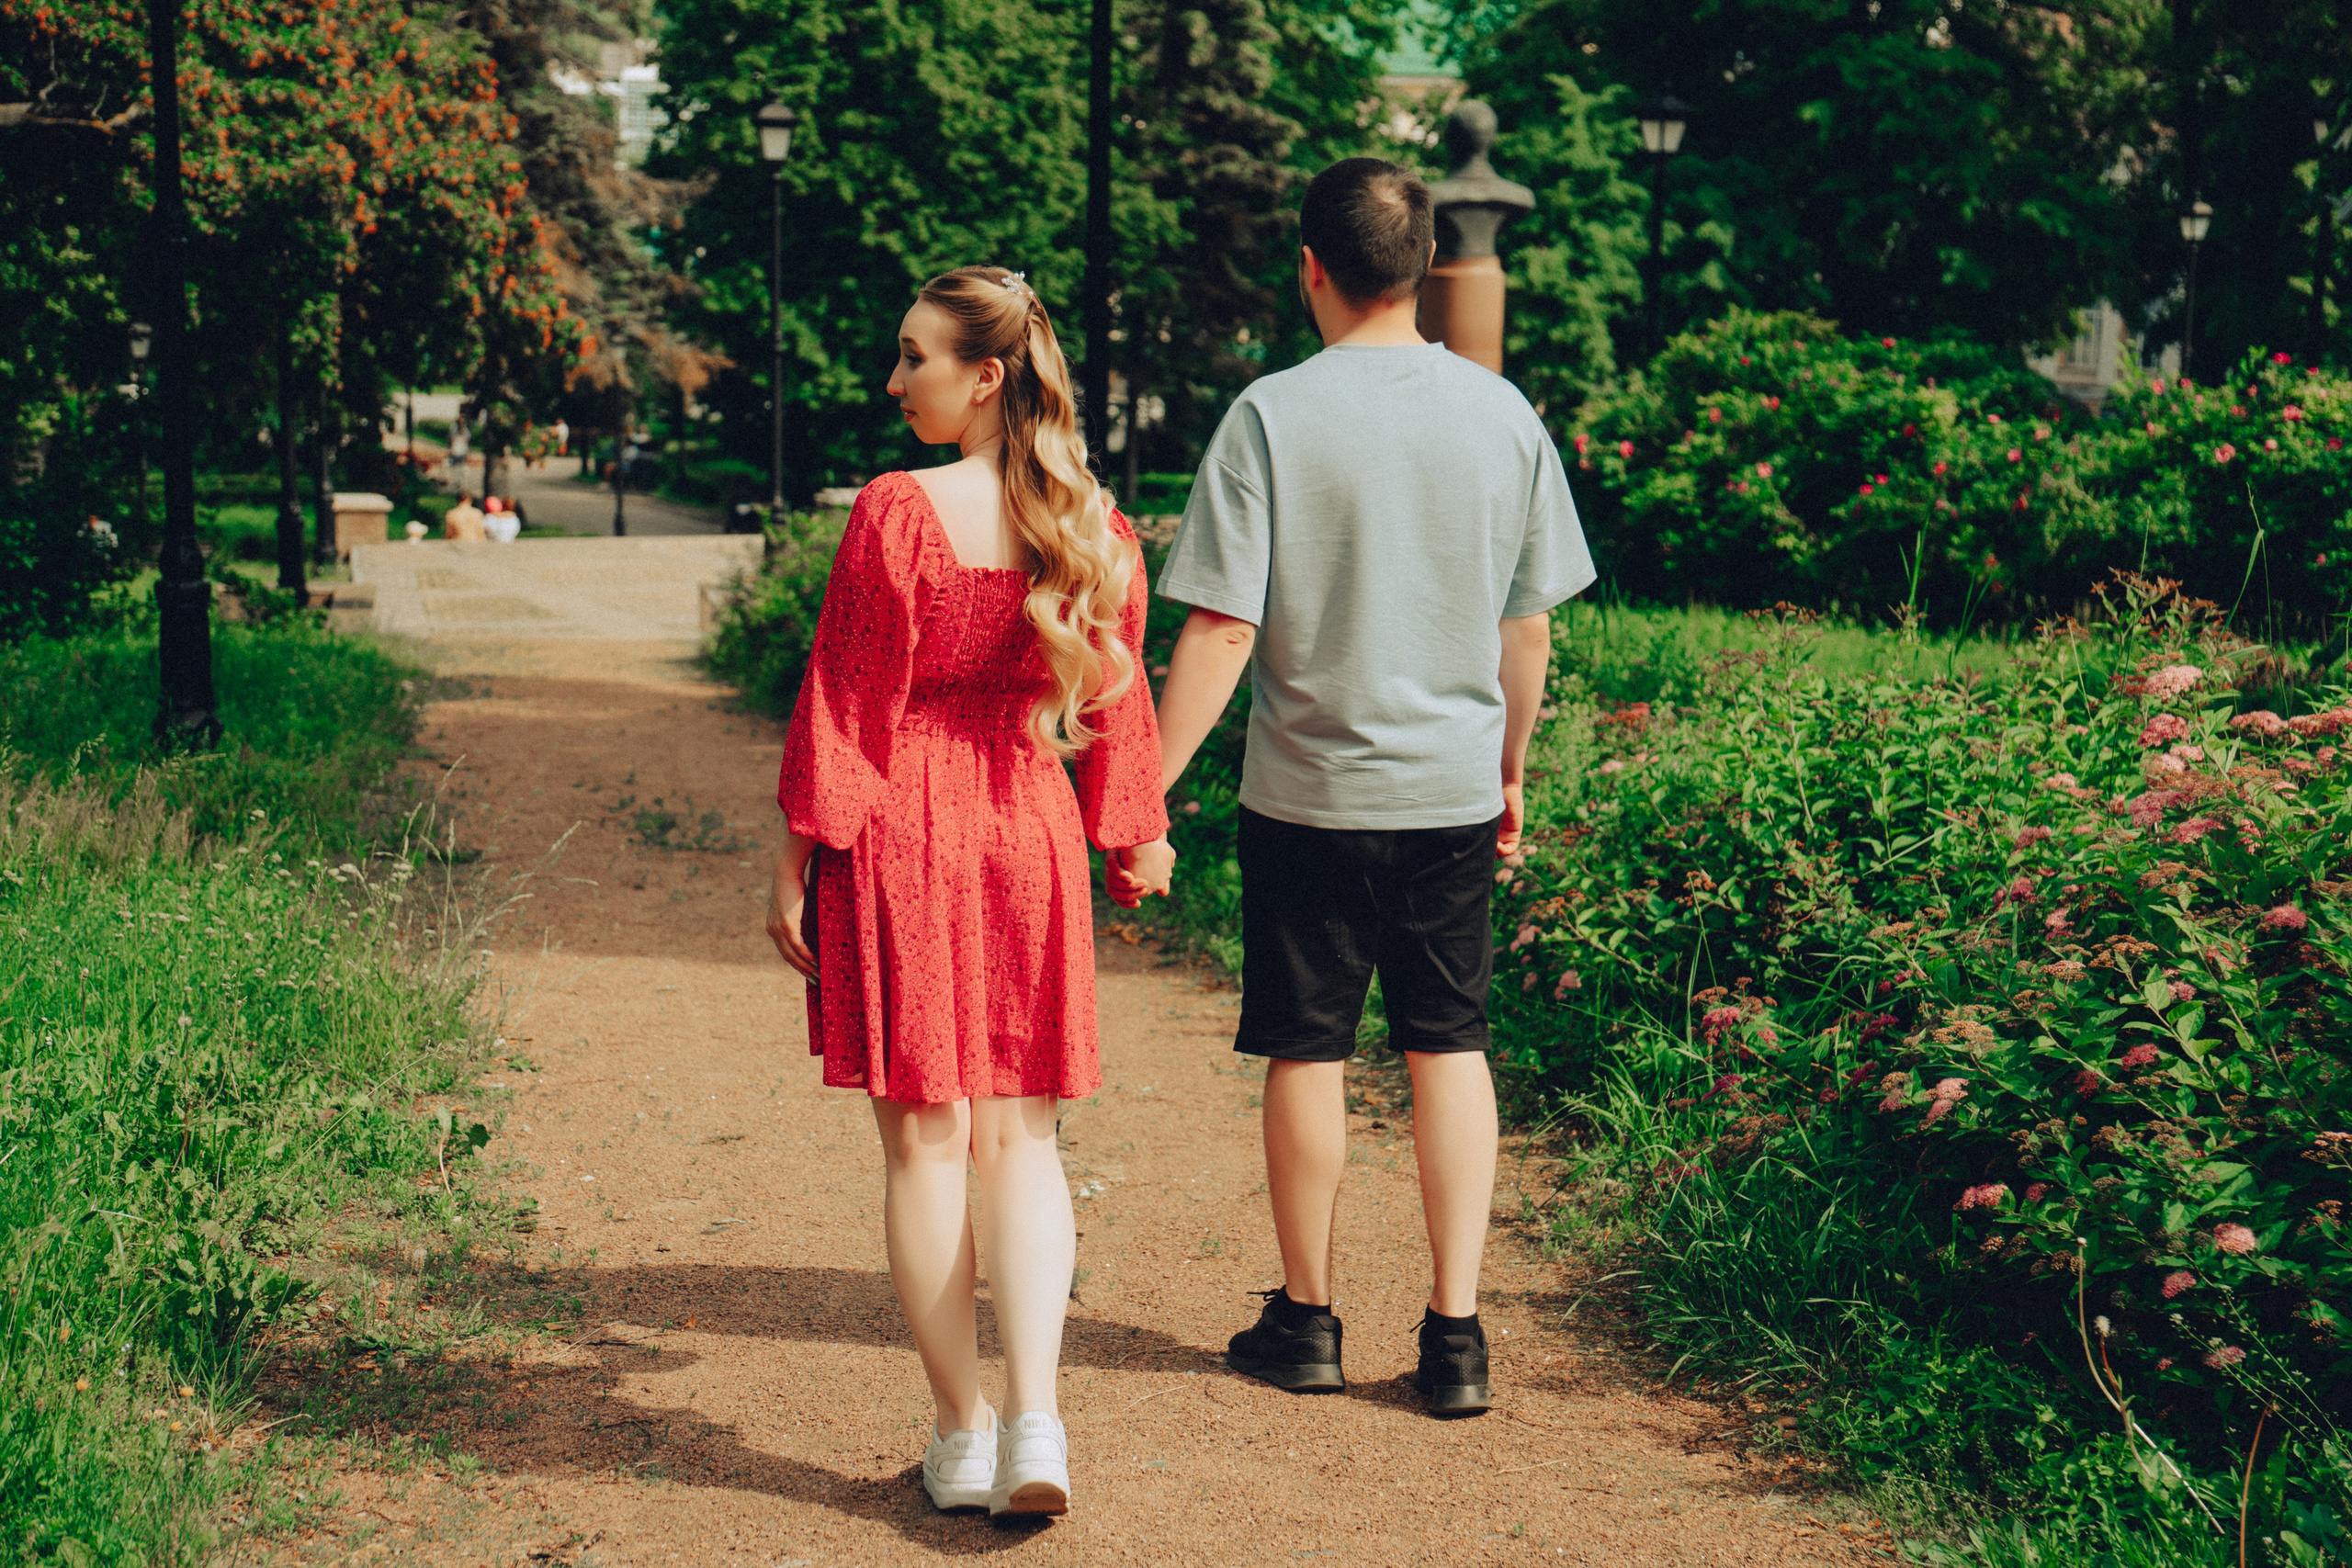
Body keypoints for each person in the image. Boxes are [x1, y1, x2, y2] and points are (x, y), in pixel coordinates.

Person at [1153, 158, 1593, 1417]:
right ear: (1419, 268)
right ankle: (1455, 1339)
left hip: (1308, 795)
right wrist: (1509, 772)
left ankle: (1308, 1321)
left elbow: (1224, 633)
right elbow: (1529, 632)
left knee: (1307, 1049)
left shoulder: (1271, 417)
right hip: (1451, 794)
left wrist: (1143, 786)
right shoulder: (1504, 416)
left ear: (1312, 269)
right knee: (1448, 1044)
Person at [764, 265, 1176, 1517]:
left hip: (905, 825)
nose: (896, 381)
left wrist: (796, 854)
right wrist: (1132, 833)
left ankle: (962, 1433)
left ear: (984, 374)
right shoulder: (1093, 526)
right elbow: (1118, 691)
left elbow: (848, 698)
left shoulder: (898, 510)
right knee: (1025, 1139)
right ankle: (1038, 1420)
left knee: (926, 1142)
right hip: (1028, 827)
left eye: (915, 357)